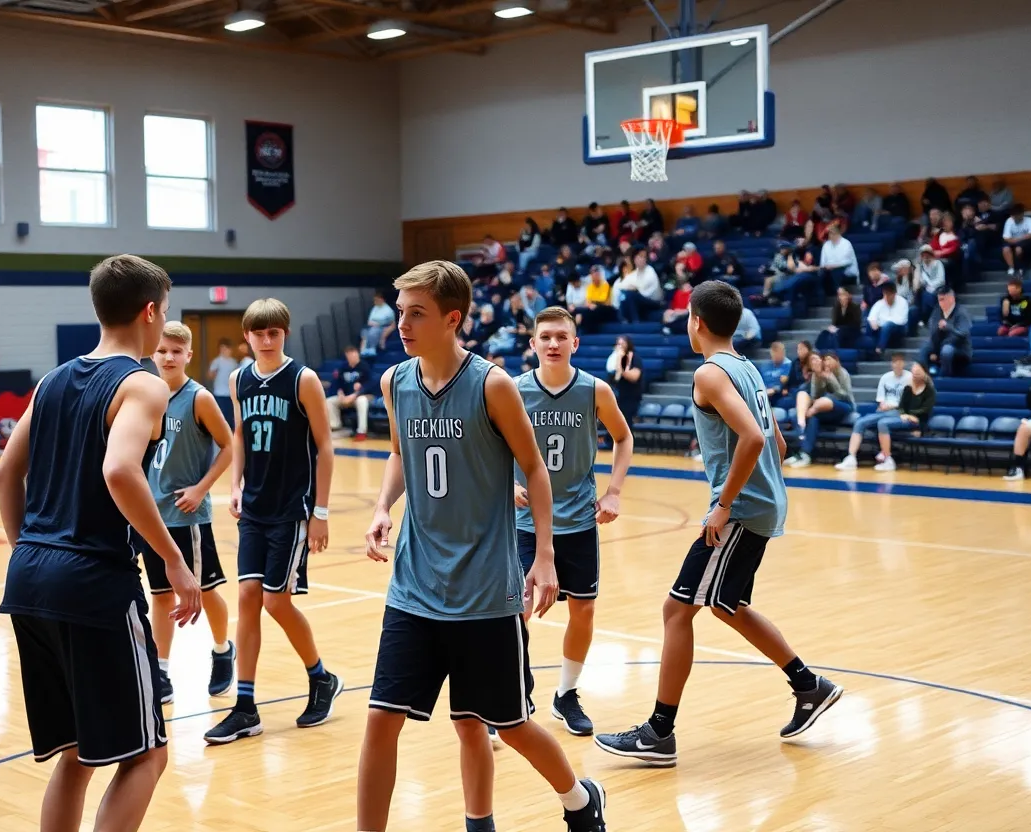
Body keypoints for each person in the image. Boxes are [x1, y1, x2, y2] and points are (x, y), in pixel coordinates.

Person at [357, 261, 606, 832]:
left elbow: (536, 469)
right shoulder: (395, 382)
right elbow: (400, 452)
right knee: (380, 720)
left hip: (485, 592)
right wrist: (380, 506)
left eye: (416, 313)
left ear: (453, 319)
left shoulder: (491, 384)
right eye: (400, 312)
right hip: (414, 586)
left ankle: (578, 799)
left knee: (498, 723)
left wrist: (543, 556)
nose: (403, 323)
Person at [0, 254, 203, 832]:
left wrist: (29, 552)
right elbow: (120, 471)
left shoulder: (53, 379)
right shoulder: (144, 385)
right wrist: (175, 559)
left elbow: (4, 476)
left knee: (76, 754)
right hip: (93, 583)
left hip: (29, 575)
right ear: (151, 310)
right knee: (147, 754)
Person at [595, 280, 843, 767]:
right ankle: (809, 685)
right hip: (764, 502)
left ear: (697, 322)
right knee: (727, 605)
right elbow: (778, 442)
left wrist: (724, 503)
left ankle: (659, 732)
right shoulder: (747, 367)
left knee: (675, 610)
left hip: (743, 509)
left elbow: (752, 437)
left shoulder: (710, 374)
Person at [204, 298, 342, 744]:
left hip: (292, 508)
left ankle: (321, 677)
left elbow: (325, 446)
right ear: (247, 336)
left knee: (274, 601)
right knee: (247, 596)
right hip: (256, 508)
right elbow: (240, 433)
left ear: (284, 334)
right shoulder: (238, 378)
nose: (266, 340)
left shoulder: (303, 380)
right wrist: (236, 484)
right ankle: (245, 707)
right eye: (258, 333)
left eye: (274, 333)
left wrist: (320, 512)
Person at [513, 306, 634, 738]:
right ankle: (514, 693)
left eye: (561, 337)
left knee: (583, 611)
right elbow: (487, 447)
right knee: (515, 611)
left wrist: (614, 491)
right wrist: (503, 485)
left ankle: (565, 695)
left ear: (575, 343)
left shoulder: (594, 390)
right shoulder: (512, 390)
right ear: (533, 344)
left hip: (579, 519)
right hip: (525, 521)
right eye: (545, 337)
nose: (552, 343)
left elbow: (623, 437)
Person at [135, 322, 236, 703]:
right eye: (162, 350)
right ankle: (161, 671)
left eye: (176, 351)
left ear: (189, 355)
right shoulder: (145, 394)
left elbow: (228, 445)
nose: (168, 357)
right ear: (153, 354)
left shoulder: (199, 398)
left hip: (187, 514)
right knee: (160, 596)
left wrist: (201, 488)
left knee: (205, 591)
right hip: (152, 513)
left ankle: (223, 649)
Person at [836, 358, 934, 472]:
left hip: (916, 420)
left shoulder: (929, 390)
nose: (915, 372)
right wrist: (903, 413)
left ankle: (888, 460)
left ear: (924, 373)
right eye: (914, 369)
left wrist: (911, 416)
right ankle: (851, 458)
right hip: (901, 415)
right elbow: (902, 405)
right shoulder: (908, 387)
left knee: (883, 423)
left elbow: (926, 410)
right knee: (861, 422)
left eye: (918, 370)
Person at [326, 344, 372, 441]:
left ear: (357, 354)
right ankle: (335, 425)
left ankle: (362, 431)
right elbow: (337, 384)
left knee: (362, 401)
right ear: (347, 356)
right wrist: (341, 395)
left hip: (361, 396)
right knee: (329, 401)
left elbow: (369, 385)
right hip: (346, 397)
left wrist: (355, 395)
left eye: (354, 355)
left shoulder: (364, 366)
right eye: (350, 355)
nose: (352, 357)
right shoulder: (343, 367)